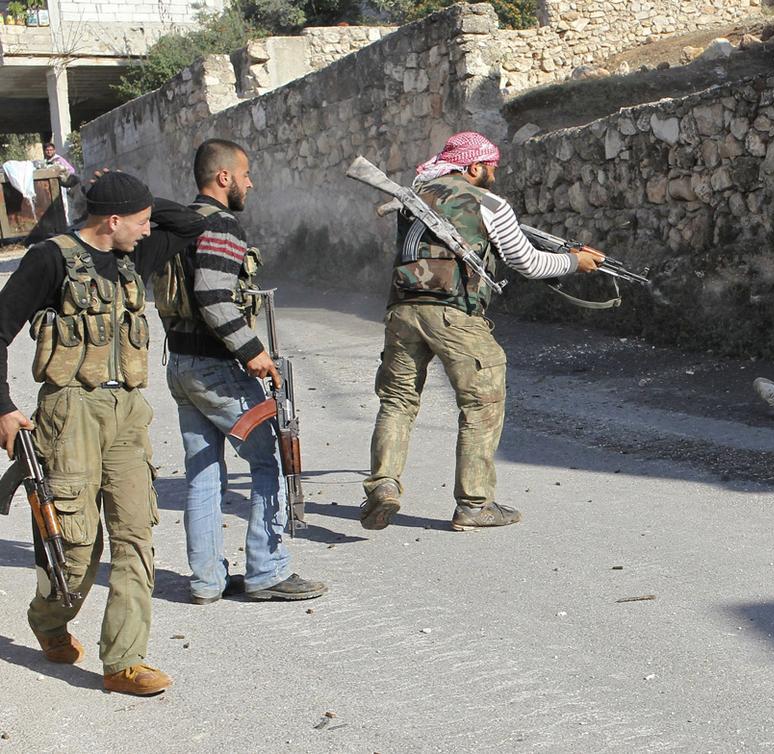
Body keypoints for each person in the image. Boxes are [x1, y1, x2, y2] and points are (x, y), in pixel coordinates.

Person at [0, 171, 206, 695]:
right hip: (69, 411)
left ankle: (124, 662)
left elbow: (189, 223)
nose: (149, 230)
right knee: (76, 544)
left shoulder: (136, 253)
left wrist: (134, 194)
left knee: (136, 533)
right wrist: (2, 408)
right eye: (139, 221)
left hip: (128, 411)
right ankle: (49, 618)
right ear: (112, 222)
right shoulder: (49, 259)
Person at [360, 131, 604, 531]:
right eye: (491, 167)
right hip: (455, 314)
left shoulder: (412, 197)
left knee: (398, 401)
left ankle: (383, 485)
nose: (494, 174)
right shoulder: (490, 203)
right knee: (482, 402)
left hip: (402, 310)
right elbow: (528, 263)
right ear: (474, 167)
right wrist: (575, 263)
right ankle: (474, 504)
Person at [153, 139, 326, 604]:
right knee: (269, 460)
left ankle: (207, 580)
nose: (251, 183)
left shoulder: (180, 225)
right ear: (223, 177)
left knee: (203, 470)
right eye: (245, 174)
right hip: (217, 368)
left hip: (182, 366)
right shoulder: (220, 225)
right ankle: (267, 571)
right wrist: (253, 351)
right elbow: (212, 295)